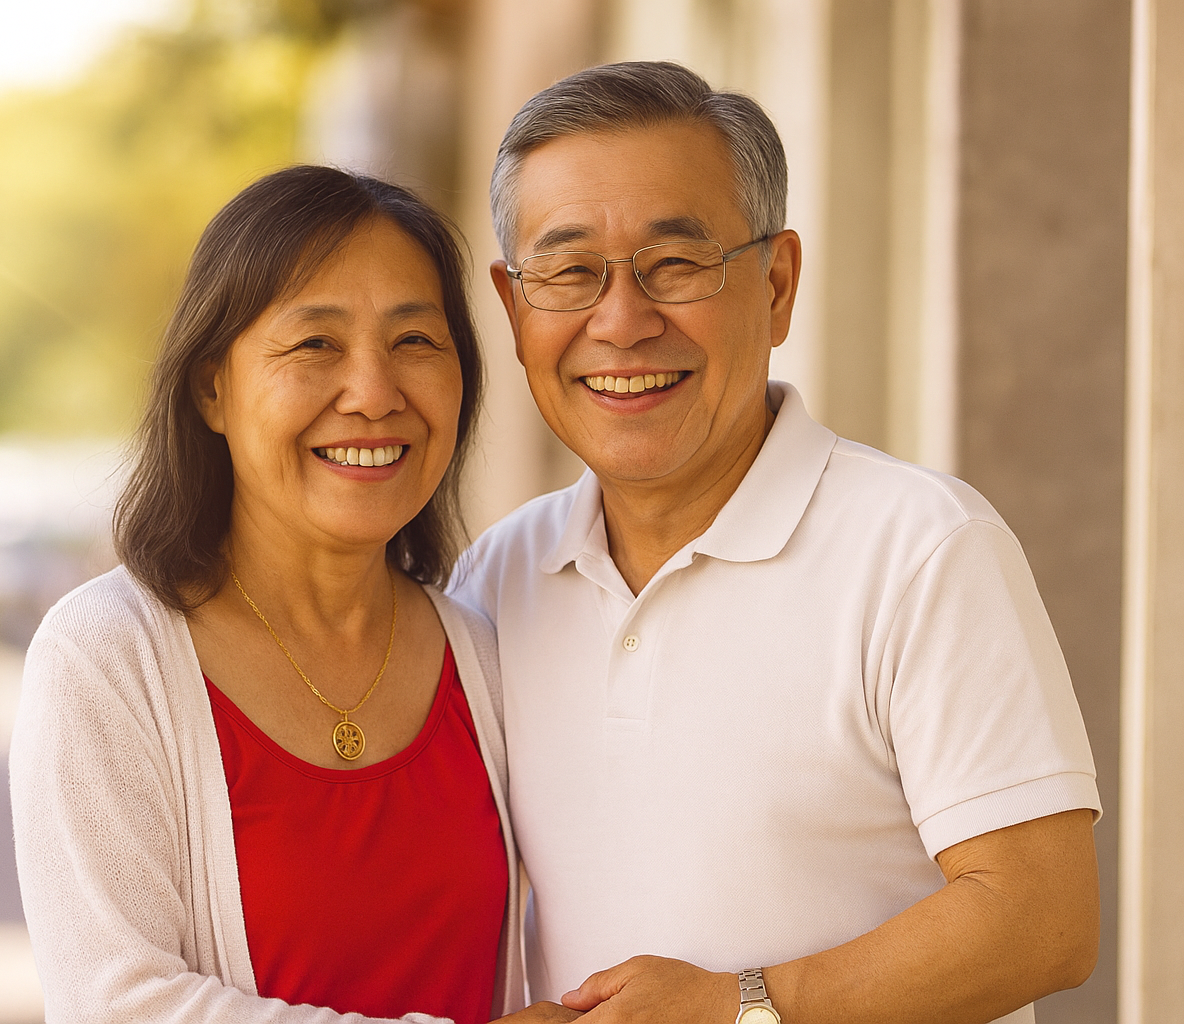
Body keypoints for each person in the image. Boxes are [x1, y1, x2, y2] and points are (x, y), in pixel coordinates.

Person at [454, 62, 1101, 1024]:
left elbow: (1044, 915)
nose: (622, 320)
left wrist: (744, 1007)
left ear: (778, 284)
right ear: (514, 311)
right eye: (569, 272)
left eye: (675, 264)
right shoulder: (495, 577)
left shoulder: (920, 548)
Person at [10, 165, 527, 1024]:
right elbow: (119, 1005)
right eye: (315, 344)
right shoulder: (105, 659)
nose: (373, 393)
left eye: (414, 342)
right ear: (212, 386)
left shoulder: (491, 651)